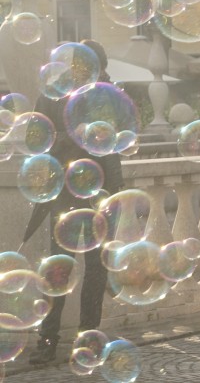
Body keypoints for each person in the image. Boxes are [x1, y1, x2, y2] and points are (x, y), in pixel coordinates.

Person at [25, 39, 124, 366]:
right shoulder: (53, 94)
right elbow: (34, 141)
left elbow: (118, 143)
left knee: (97, 269)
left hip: (101, 195)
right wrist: (74, 134)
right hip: (65, 195)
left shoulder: (109, 95)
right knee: (58, 268)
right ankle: (47, 340)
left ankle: (89, 339)